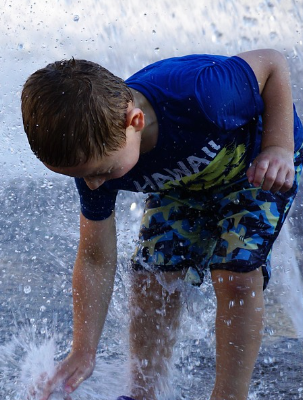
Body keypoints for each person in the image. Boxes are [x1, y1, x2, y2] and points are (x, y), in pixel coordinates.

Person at [20, 49, 303, 400]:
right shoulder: (93, 156)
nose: (94, 185)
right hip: (184, 183)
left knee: (235, 275)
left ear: (134, 122)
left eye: (102, 173)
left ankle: (230, 395)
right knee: (149, 276)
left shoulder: (203, 94)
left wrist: (277, 146)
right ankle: (144, 393)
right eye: (81, 176)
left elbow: (272, 64)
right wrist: (83, 350)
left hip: (255, 168)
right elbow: (94, 257)